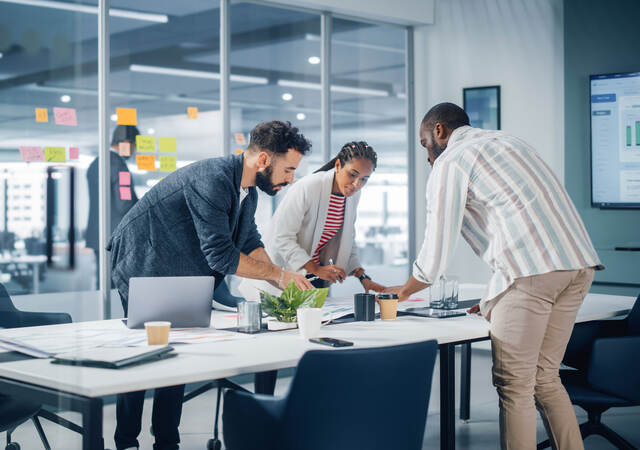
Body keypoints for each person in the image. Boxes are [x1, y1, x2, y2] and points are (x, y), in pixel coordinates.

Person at [387, 103, 603, 450]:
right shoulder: (510, 143)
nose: (427, 155)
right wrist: (496, 298)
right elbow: (518, 225)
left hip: (533, 273)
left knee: (515, 386)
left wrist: (405, 291)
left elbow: (437, 246)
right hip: (578, 267)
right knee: (546, 380)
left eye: (424, 143)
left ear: (439, 131)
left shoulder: (451, 161)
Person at [107, 120, 314, 450]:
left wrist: (282, 276)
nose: (290, 180)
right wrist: (278, 276)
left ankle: (166, 441)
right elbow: (220, 255)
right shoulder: (214, 178)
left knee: (177, 351)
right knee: (143, 355)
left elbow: (248, 240)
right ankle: (126, 441)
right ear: (263, 160)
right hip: (142, 261)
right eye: (288, 170)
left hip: (179, 268)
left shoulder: (246, 193)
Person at [239, 141, 387, 300]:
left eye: (364, 179)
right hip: (279, 279)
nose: (357, 184)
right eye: (353, 174)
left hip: (310, 280)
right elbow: (282, 237)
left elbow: (348, 239)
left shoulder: (352, 196)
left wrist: (363, 277)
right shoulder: (309, 187)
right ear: (338, 165)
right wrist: (315, 268)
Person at [86, 125, 139, 289]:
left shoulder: (96, 163)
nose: (134, 151)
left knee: (103, 283)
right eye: (135, 146)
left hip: (98, 235)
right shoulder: (119, 165)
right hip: (117, 237)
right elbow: (124, 202)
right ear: (127, 143)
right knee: (118, 284)